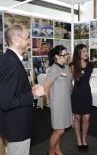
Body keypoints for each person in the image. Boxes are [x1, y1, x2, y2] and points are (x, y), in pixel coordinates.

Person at [0, 24, 44, 155]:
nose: (30, 42)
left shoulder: (8, 59)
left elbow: (10, 89)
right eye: (27, 38)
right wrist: (33, 93)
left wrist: (29, 89)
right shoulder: (11, 63)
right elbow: (5, 101)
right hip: (17, 127)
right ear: (16, 39)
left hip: (13, 125)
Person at [44, 45, 73, 155]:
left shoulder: (66, 67)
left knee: (60, 129)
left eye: (67, 54)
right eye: (64, 55)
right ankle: (50, 152)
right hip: (57, 103)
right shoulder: (53, 69)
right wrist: (48, 101)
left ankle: (57, 149)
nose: (66, 57)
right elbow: (46, 87)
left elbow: (68, 82)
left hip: (66, 101)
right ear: (56, 56)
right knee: (59, 130)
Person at [69, 44, 93, 150]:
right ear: (78, 53)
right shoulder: (73, 65)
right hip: (77, 95)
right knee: (77, 118)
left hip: (87, 93)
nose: (86, 53)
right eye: (83, 51)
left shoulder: (90, 65)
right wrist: (71, 92)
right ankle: (78, 139)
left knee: (86, 119)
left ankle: (84, 139)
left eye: (86, 51)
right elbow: (69, 82)